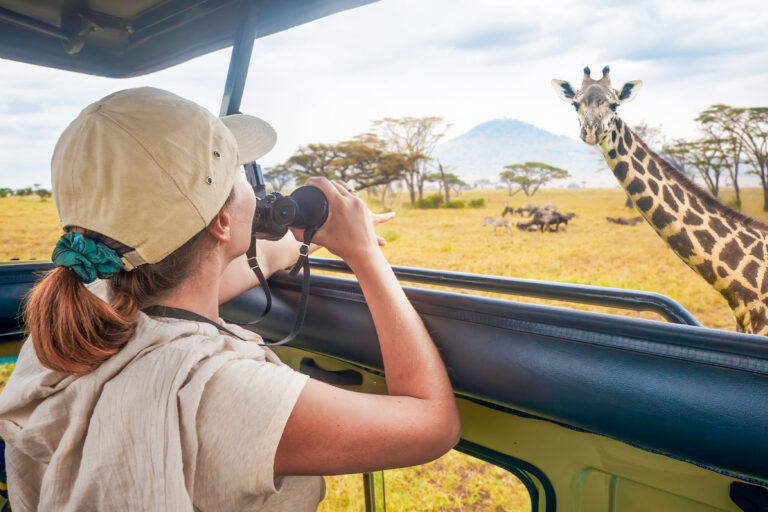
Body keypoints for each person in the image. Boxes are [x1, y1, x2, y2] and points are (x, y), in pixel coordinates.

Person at [0, 87, 460, 511]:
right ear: (222, 220)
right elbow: (434, 424)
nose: (253, 191)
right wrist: (364, 257)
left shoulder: (76, 322)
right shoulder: (219, 391)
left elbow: (214, 268)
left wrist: (315, 235)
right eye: (239, 174)